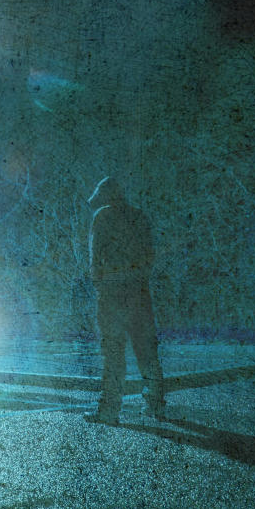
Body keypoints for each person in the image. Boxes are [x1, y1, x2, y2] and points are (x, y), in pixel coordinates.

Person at [84, 176, 166, 425]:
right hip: (139, 292)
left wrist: (100, 283)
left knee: (113, 353)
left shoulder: (102, 217)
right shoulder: (139, 217)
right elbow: (150, 255)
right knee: (146, 351)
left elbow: (95, 259)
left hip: (111, 294)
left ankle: (109, 410)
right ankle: (156, 404)